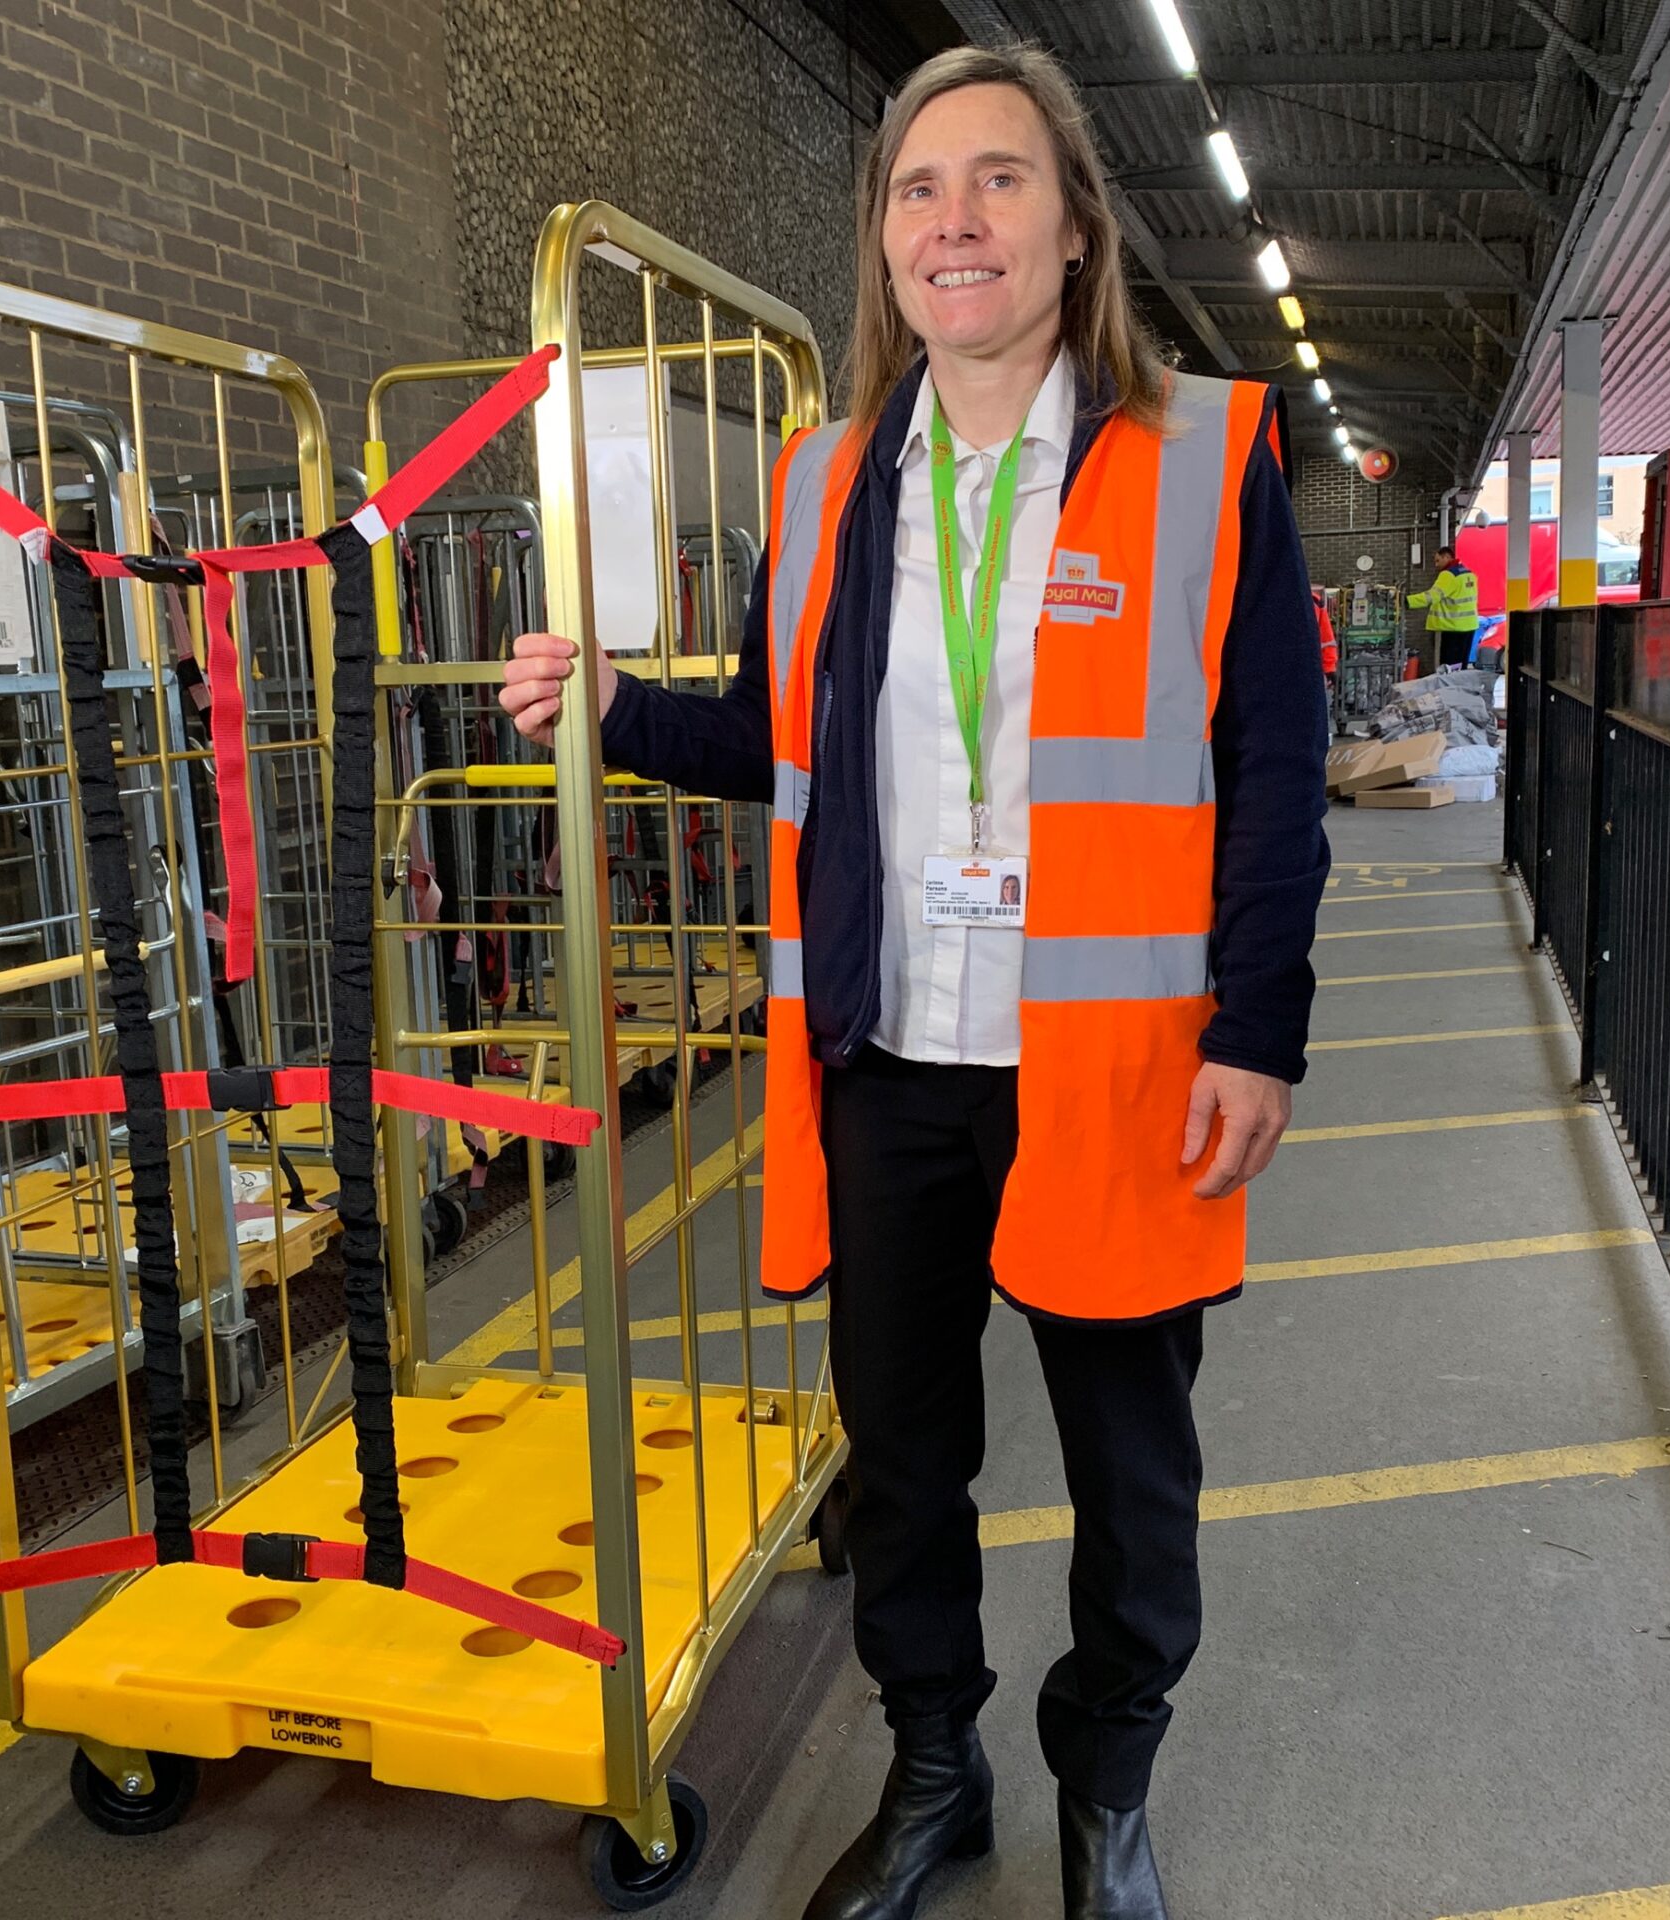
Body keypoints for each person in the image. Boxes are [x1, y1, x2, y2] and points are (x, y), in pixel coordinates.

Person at [501, 43, 1328, 1920]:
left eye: (999, 182)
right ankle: (936, 1770)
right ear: (884, 245)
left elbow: (1279, 769)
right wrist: (617, 709)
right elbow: (780, 744)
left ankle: (1108, 1789)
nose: (955, 222)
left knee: (1133, 1476)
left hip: (1112, 1074)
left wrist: (1257, 1030)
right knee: (904, 1462)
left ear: (1073, 226)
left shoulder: (1198, 457)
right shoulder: (825, 482)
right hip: (888, 1068)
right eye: (916, 191)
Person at [1407, 541, 1478, 669]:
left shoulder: (1448, 575)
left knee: (1448, 667)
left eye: (1438, 561)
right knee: (1461, 665)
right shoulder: (1469, 573)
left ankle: (1448, 688)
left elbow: (1432, 596)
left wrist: (1407, 601)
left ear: (1446, 557)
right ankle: (1457, 687)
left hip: (1452, 627)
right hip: (1469, 625)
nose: (1436, 565)